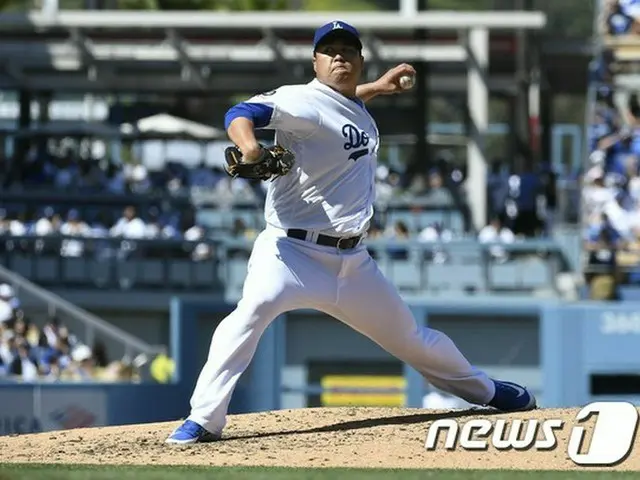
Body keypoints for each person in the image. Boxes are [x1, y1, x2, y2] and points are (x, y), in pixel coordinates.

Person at [166, 20, 536, 445]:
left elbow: (338, 109)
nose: (339, 55)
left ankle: (486, 391)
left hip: (353, 263)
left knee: (412, 338)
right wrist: (250, 147)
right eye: (330, 50)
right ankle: (204, 419)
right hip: (290, 253)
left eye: (348, 49)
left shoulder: (348, 102)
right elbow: (241, 113)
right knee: (246, 318)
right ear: (315, 61)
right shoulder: (300, 101)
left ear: (360, 61)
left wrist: (376, 87)